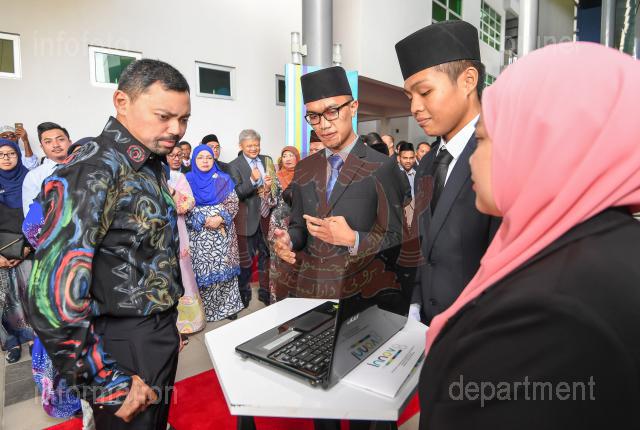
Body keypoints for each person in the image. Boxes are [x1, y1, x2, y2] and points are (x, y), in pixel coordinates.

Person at [418, 42, 640, 430]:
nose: (473, 158)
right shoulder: (604, 242)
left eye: (483, 140)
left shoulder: (550, 314)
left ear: (546, 145)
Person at [27, 59, 190, 429]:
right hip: (119, 346)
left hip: (151, 333)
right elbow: (50, 296)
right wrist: (105, 382)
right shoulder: (93, 169)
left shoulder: (149, 161)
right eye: (164, 116)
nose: (176, 129)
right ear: (122, 102)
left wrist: (165, 321)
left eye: (183, 119)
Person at [395, 20, 500, 324]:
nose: (414, 107)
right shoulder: (427, 164)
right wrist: (415, 303)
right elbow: (421, 245)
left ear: (468, 81)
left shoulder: (498, 155)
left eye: (425, 92)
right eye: (410, 97)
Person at [273, 66, 405, 301]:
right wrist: (289, 240)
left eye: (332, 111)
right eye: (314, 116)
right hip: (310, 289)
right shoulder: (304, 168)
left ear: (353, 107)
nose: (323, 125)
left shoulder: (382, 167)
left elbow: (397, 238)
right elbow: (299, 226)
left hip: (360, 292)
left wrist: (354, 239)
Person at [185, 145, 244, 321]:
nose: (205, 161)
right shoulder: (187, 180)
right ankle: (207, 311)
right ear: (194, 160)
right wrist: (201, 219)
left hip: (223, 233)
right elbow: (181, 205)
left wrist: (220, 218)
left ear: (213, 160)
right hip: (199, 236)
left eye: (209, 157)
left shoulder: (223, 178)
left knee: (225, 271)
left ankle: (228, 308)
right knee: (203, 271)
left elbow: (233, 203)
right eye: (200, 157)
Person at [228, 129, 276, 306]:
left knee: (267, 257)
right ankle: (244, 293)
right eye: (249, 146)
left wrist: (270, 187)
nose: (254, 148)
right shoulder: (234, 165)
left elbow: (275, 187)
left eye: (257, 145)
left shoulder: (267, 160)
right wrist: (253, 180)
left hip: (267, 217)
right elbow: (237, 193)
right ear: (241, 146)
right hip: (247, 220)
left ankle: (265, 291)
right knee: (245, 261)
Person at [0, 139, 35, 364]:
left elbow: (39, 214)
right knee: (5, 299)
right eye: (1, 154)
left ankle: (33, 338)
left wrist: (27, 248)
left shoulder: (29, 179)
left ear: (18, 155)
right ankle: (11, 342)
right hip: (0, 255)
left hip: (27, 249)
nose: (6, 158)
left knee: (30, 295)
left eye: (11, 153)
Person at [165, 146, 205, 334]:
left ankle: (188, 322)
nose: (175, 158)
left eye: (178, 155)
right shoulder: (149, 176)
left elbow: (188, 203)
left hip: (178, 230)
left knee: (184, 273)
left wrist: (169, 191)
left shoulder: (179, 178)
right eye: (171, 155)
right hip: (157, 233)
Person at [267, 146, 300, 302]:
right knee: (278, 260)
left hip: (298, 223)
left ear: (297, 158)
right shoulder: (276, 177)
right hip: (279, 224)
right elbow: (271, 202)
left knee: (295, 259)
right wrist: (268, 189)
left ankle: (296, 299)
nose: (287, 158)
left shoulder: (304, 176)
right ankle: (277, 298)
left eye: (291, 155)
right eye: (284, 156)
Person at [21, 122, 72, 215]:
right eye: (48, 142)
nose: (56, 145)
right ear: (42, 147)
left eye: (60, 139)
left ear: (70, 142)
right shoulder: (34, 176)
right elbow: (32, 216)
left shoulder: (84, 167)